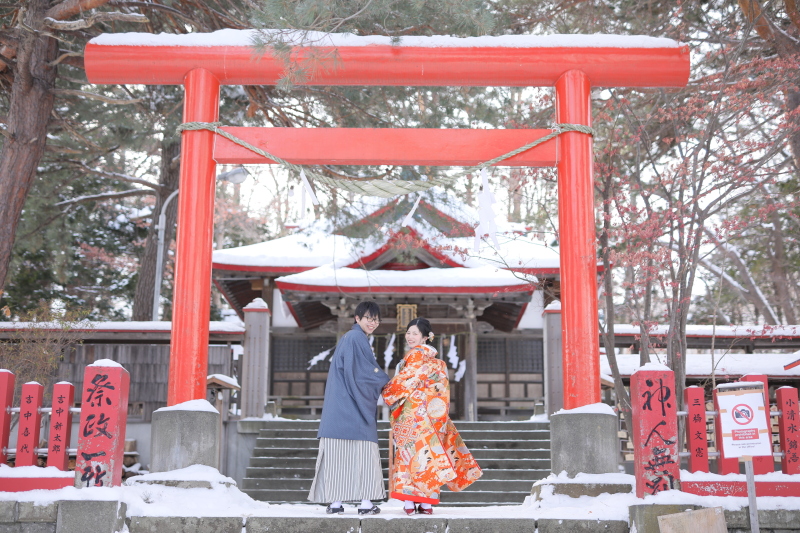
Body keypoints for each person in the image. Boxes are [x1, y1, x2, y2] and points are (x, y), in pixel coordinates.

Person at [382, 317, 482, 515]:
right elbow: (442, 392)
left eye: (415, 333)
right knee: (430, 457)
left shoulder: (415, 356)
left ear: (426, 337)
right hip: (433, 416)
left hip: (412, 416)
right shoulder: (439, 363)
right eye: (408, 332)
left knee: (410, 456)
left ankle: (410, 503)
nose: (410, 336)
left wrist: (386, 391)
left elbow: (402, 384)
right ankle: (427, 502)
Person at [308, 301, 389, 515]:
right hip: (352, 407)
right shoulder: (355, 338)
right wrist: (385, 380)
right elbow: (362, 373)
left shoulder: (350, 338)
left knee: (338, 459)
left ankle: (335, 503)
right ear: (357, 318)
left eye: (376, 319)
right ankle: (365, 503)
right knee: (363, 456)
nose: (373, 323)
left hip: (339, 408)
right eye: (369, 318)